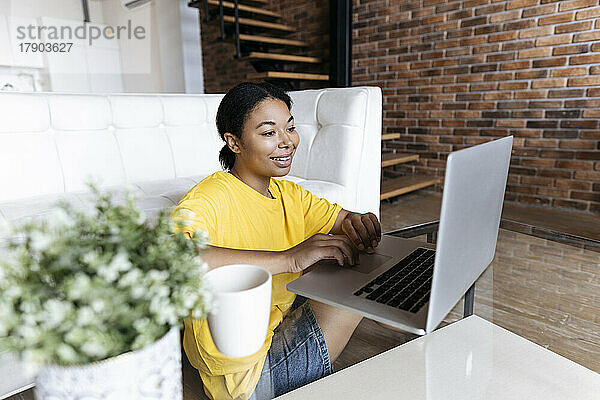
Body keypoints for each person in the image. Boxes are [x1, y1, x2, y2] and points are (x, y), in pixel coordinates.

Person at [172, 82, 382, 400]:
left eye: (291, 128)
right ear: (235, 143)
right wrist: (289, 258)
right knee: (357, 292)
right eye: (269, 132)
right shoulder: (211, 196)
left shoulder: (288, 193)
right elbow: (176, 258)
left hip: (273, 323)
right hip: (247, 379)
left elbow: (342, 221)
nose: (287, 142)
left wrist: (358, 222)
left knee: (349, 261)